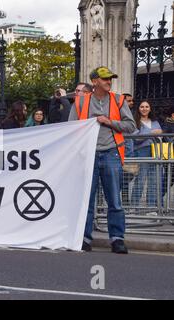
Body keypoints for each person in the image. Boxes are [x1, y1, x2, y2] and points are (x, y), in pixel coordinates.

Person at [69, 66, 136, 254]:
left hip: (111, 153)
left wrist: (109, 122)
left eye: (110, 79)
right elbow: (71, 128)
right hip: (88, 154)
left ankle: (117, 239)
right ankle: (84, 238)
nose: (109, 82)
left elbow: (131, 126)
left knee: (114, 200)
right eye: (105, 79)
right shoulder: (80, 102)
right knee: (87, 200)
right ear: (95, 81)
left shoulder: (118, 99)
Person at [130, 101, 163, 208]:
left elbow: (160, 136)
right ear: (138, 108)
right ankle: (135, 206)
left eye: (147, 107)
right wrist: (151, 133)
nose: (144, 109)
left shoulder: (155, 122)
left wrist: (158, 135)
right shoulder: (135, 122)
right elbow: (136, 138)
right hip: (142, 151)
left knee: (153, 180)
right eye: (142, 107)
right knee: (141, 179)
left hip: (155, 151)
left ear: (150, 108)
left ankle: (151, 207)